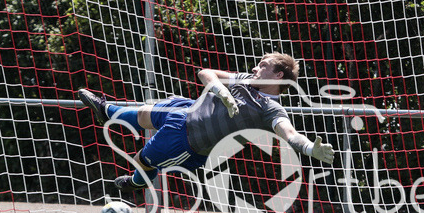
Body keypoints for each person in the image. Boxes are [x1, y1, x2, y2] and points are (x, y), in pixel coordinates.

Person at [78, 52, 335, 192]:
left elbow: (289, 133)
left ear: (278, 75)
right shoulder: (245, 79)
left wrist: (311, 148)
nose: (256, 68)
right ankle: (106, 109)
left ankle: (135, 182)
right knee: (144, 114)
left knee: (143, 160)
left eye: (262, 66)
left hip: (189, 141)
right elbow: (205, 72)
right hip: (187, 111)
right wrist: (220, 90)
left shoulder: (270, 108)